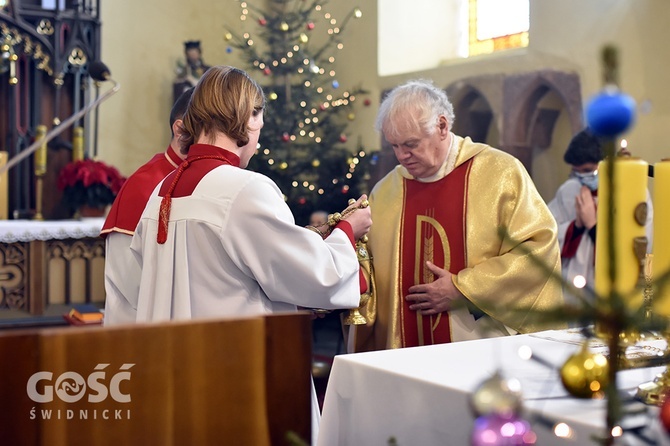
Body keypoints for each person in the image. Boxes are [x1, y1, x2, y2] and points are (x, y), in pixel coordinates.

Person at [112, 66, 371, 444]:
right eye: (259, 128)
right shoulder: (243, 188)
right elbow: (321, 277)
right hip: (233, 374)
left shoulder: (162, 190)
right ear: (246, 120)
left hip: (173, 373)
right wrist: (348, 229)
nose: (257, 143)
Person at [350, 79, 564, 352]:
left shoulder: (501, 173)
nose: (402, 156)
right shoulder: (386, 192)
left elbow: (539, 250)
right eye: (394, 146)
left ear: (442, 126)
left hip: (480, 348)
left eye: (411, 144)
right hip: (404, 352)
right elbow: (369, 268)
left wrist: (466, 289)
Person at [100, 87, 193, 325]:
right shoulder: (144, 186)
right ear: (180, 130)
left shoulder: (211, 180)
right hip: (141, 330)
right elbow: (131, 284)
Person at [547, 128, 653, 305]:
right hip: (575, 289)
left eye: (588, 170)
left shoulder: (633, 192)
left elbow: (639, 244)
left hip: (614, 288)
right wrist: (577, 225)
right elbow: (547, 233)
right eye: (576, 171)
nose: (582, 177)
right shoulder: (569, 190)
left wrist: (593, 226)